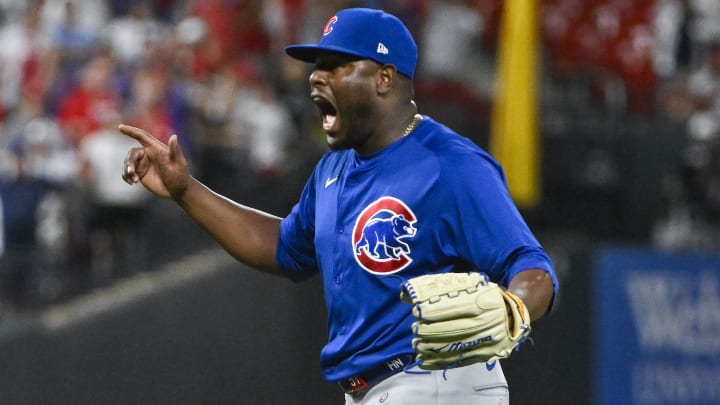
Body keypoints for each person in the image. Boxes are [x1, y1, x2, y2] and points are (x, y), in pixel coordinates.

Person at [120, 8, 558, 405]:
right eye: (317, 65)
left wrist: (513, 307)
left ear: (384, 78)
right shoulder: (333, 170)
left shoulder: (450, 165)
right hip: (373, 391)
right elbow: (283, 248)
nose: (315, 76)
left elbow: (532, 267)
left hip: (437, 384)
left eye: (337, 65)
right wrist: (186, 190)